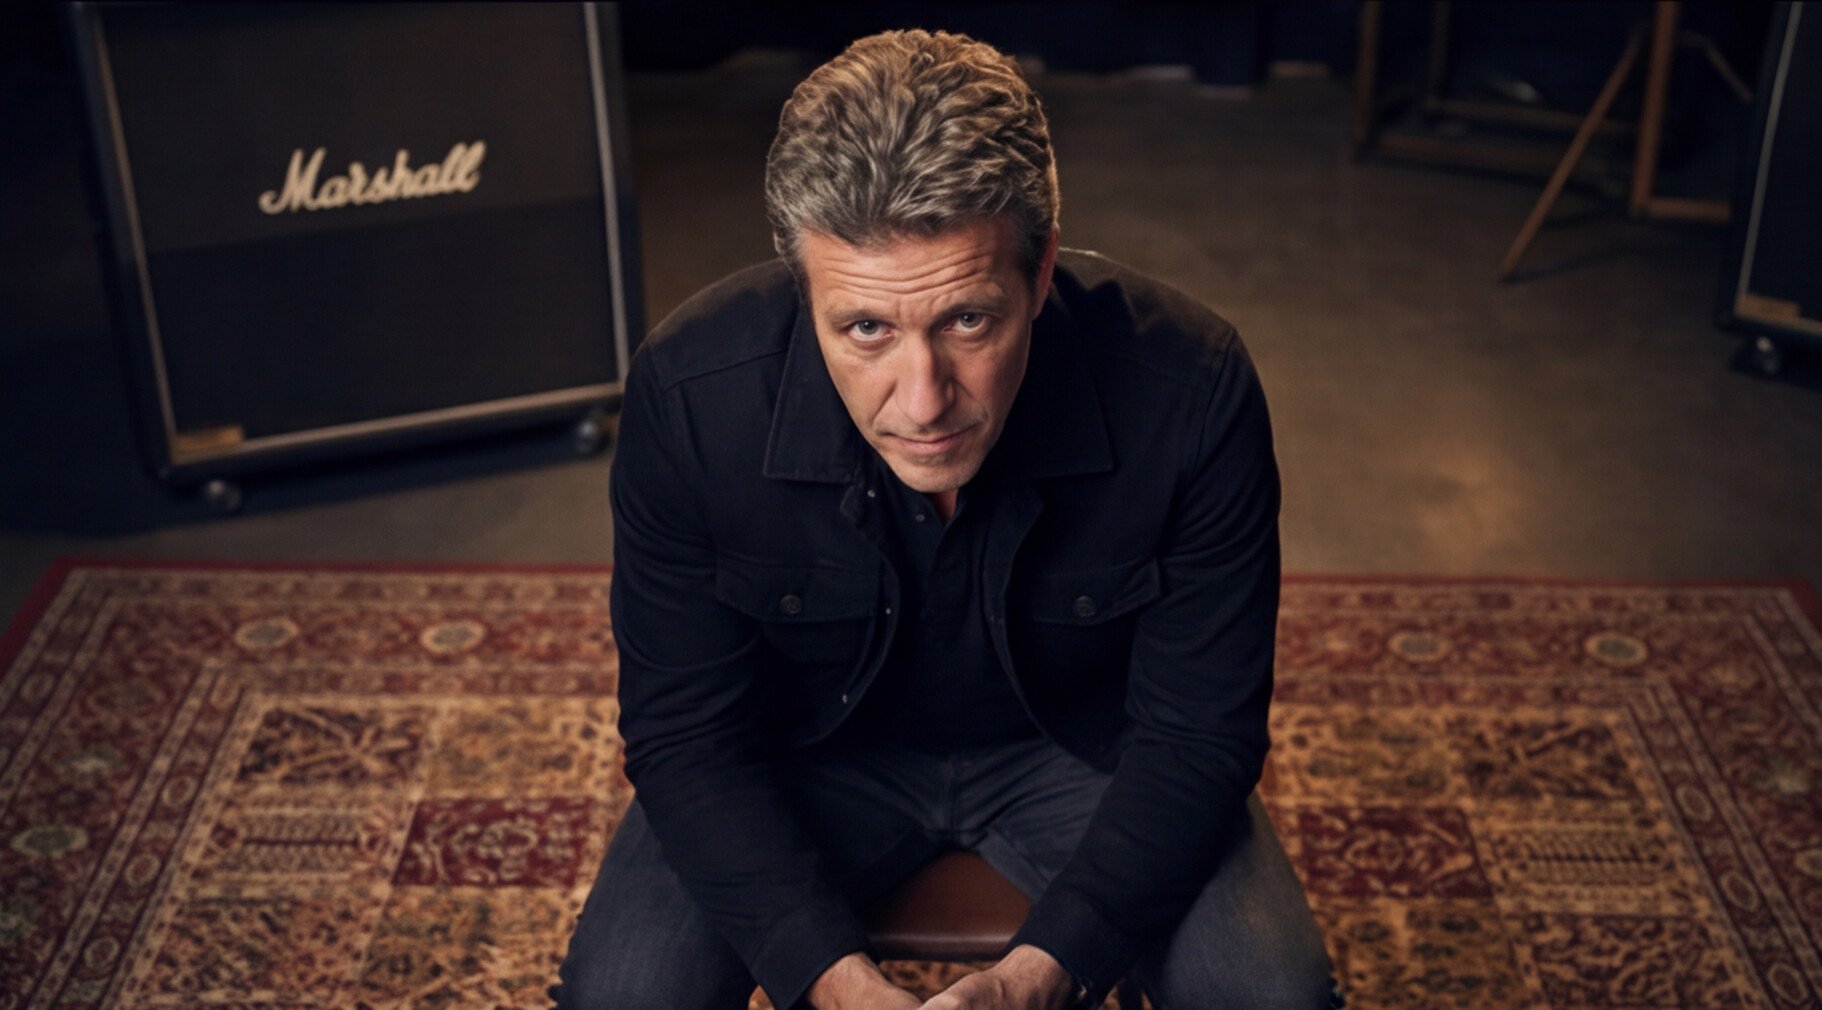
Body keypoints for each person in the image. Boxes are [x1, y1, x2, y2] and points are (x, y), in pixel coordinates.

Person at [554, 28, 1336, 1010]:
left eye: (968, 320)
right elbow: (687, 735)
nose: (923, 402)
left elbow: (1196, 734)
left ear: (1041, 272)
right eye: (865, 329)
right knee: (622, 995)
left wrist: (1038, 977)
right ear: (803, 290)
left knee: (1271, 994)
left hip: (1086, 754)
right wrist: (831, 982)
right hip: (802, 758)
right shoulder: (689, 396)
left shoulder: (1191, 388)